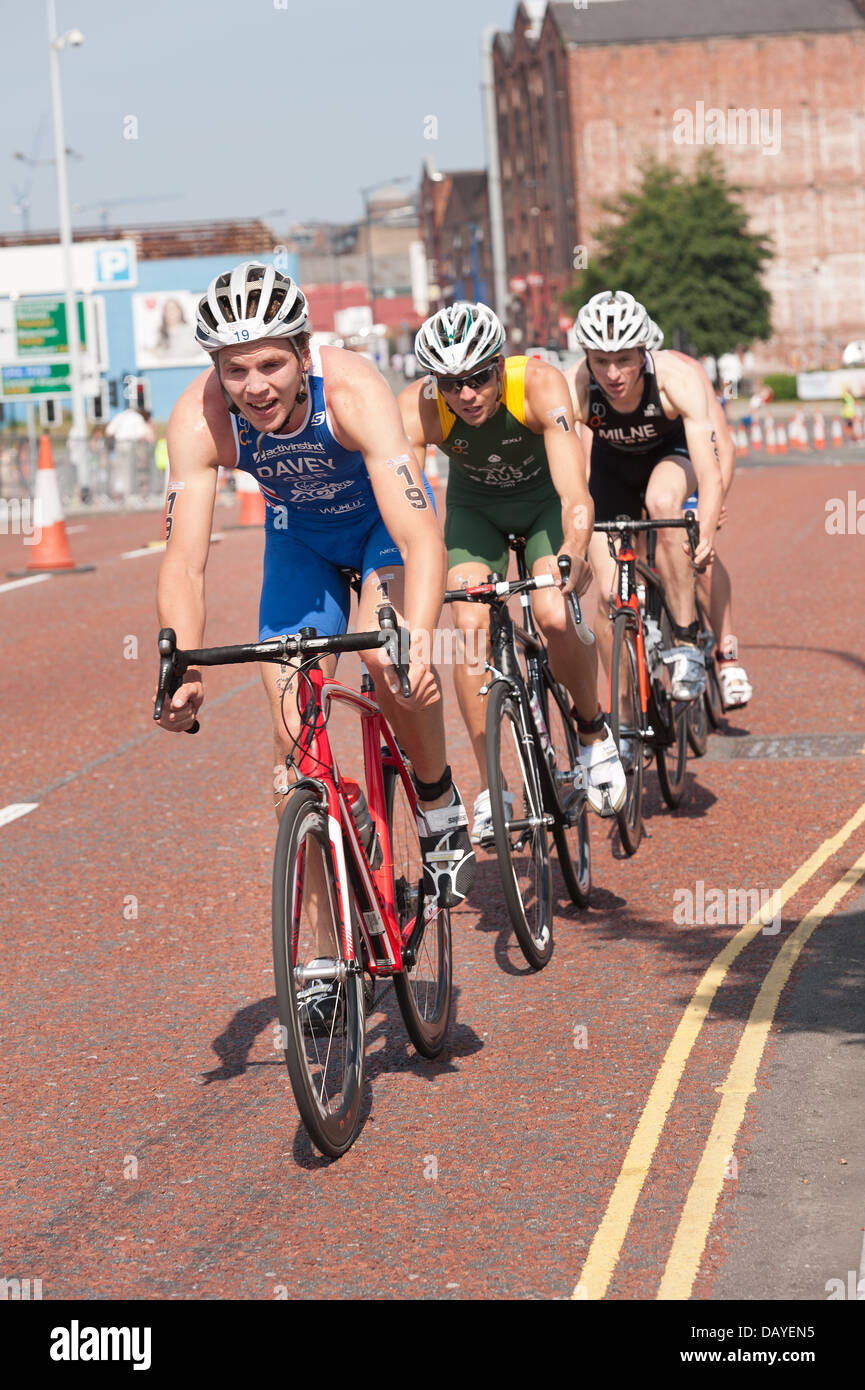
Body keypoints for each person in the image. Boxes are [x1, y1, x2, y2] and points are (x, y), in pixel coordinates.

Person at [155, 261, 475, 937]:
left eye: (270, 364)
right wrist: (182, 665)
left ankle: (437, 798)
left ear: (304, 354)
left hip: (381, 534)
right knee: (290, 745)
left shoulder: (353, 390)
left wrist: (414, 636)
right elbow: (184, 563)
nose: (254, 387)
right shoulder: (197, 417)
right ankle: (326, 952)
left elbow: (421, 538)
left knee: (391, 664)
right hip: (299, 547)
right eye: (234, 370)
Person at [398, 300, 626, 839]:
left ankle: (593, 733)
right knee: (472, 630)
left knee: (551, 612)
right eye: (451, 384)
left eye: (478, 378)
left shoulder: (540, 384)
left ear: (500, 366)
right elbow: (409, 510)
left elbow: (575, 492)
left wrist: (572, 549)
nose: (466, 395)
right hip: (475, 514)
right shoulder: (419, 408)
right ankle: (490, 785)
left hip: (545, 507)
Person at [564, 290, 724, 709]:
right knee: (607, 595)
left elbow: (709, 471)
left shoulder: (676, 378)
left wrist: (704, 530)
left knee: (664, 502)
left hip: (670, 459)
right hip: (611, 470)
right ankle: (624, 713)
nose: (612, 373)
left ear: (643, 352)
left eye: (624, 360)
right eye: (600, 360)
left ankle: (688, 640)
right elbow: (570, 474)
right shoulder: (576, 385)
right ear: (587, 357)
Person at [640, 321, 752, 708]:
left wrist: (713, 501)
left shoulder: (686, 372)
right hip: (636, 475)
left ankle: (727, 654)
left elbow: (723, 444)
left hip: (689, 469)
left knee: (699, 559)